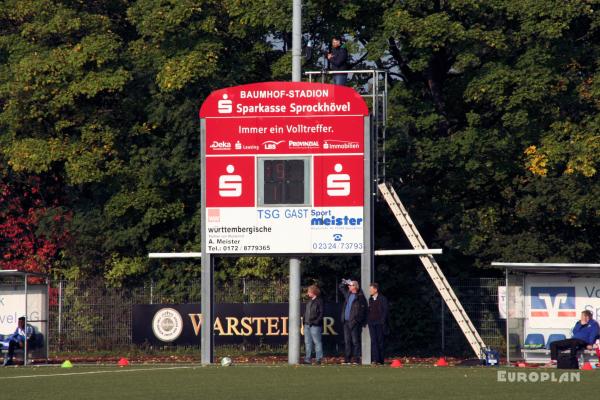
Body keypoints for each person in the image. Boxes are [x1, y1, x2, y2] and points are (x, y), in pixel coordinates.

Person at [339, 279, 368, 364]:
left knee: (355, 341)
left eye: (351, 285)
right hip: (346, 321)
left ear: (355, 286)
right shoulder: (348, 294)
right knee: (347, 341)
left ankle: (356, 359)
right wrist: (345, 282)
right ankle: (348, 358)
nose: (349, 286)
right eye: (349, 285)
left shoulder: (360, 296)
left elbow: (363, 310)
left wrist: (356, 320)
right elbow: (341, 287)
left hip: (353, 322)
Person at [368, 283, 389, 365]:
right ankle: (375, 359)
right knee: (374, 341)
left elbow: (385, 311)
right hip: (371, 323)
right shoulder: (370, 299)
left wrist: (382, 321)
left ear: (375, 289)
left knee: (380, 341)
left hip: (379, 323)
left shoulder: (382, 299)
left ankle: (381, 360)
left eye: (371, 289)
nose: (370, 290)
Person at [303, 285, 324, 365]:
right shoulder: (309, 301)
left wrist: (316, 322)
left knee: (317, 342)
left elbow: (321, 313)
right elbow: (306, 312)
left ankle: (319, 359)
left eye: (309, 292)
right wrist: (304, 321)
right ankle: (307, 359)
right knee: (307, 342)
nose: (308, 293)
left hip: (315, 325)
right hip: (307, 324)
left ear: (313, 292)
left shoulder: (319, 301)